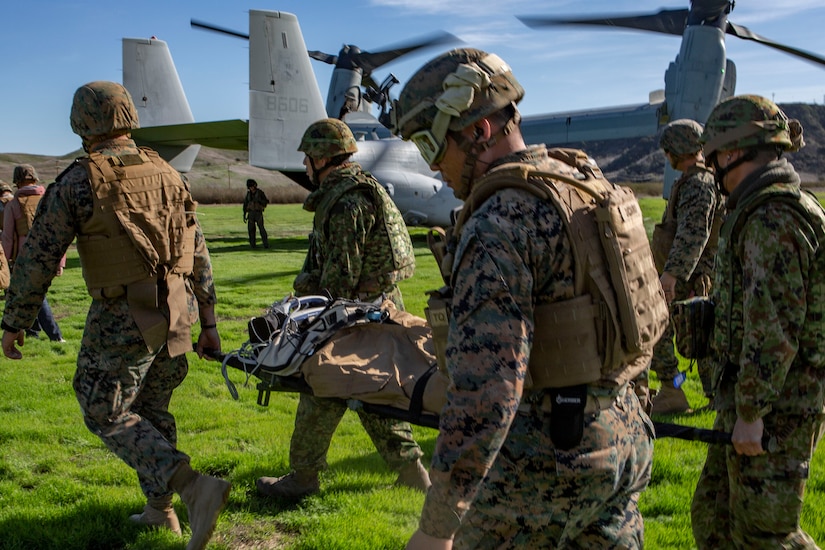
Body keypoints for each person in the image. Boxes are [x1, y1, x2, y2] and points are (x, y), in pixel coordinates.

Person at [392, 48, 654, 549]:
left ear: (478, 131)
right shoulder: (584, 186)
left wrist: (437, 527)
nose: (433, 166)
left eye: (431, 144)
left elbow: (485, 392)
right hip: (620, 443)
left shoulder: (498, 223)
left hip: (538, 473)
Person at [0, 81, 231, 550]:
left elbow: (39, 257)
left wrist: (15, 321)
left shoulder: (81, 179)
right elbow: (199, 250)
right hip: (178, 307)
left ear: (82, 122)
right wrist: (208, 322)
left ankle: (192, 488)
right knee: (151, 410)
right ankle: (160, 511)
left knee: (102, 408)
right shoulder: (167, 172)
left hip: (124, 314)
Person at [255, 117, 430, 499]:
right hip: (377, 308)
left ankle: (304, 477)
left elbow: (340, 278)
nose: (304, 166)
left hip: (353, 314)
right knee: (377, 393)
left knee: (320, 388)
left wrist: (308, 311)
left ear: (322, 157)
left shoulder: (345, 201)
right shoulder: (362, 188)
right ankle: (413, 472)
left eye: (307, 158)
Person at [690, 95, 825, 549]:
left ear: (730, 154)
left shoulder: (772, 218)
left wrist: (751, 412)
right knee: (715, 517)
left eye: (714, 162)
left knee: (766, 537)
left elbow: (774, 330)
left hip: (776, 410)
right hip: (752, 401)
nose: (715, 174)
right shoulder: (759, 210)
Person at [647, 119, 724, 415]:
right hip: (689, 276)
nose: (667, 157)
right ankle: (713, 395)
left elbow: (693, 233)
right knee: (701, 335)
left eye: (668, 150)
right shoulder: (698, 180)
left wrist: (671, 275)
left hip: (685, 277)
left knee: (657, 328)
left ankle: (672, 389)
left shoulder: (698, 184)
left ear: (677, 149)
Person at [2, 164, 65, 342]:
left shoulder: (14, 205)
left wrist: (4, 264)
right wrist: (60, 261)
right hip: (51, 254)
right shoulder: (50, 199)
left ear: (17, 181)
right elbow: (61, 232)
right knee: (34, 293)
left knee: (36, 295)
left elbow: (7, 238)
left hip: (26, 257)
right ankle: (33, 332)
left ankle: (55, 336)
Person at [242, 178, 269, 248]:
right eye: (250, 187)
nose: (251, 188)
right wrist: (244, 214)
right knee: (251, 230)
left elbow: (266, 202)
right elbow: (245, 204)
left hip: (258, 213)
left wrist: (260, 202)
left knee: (261, 229)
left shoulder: (260, 193)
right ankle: (252, 245)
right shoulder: (248, 194)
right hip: (250, 214)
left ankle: (265, 244)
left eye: (252, 186)